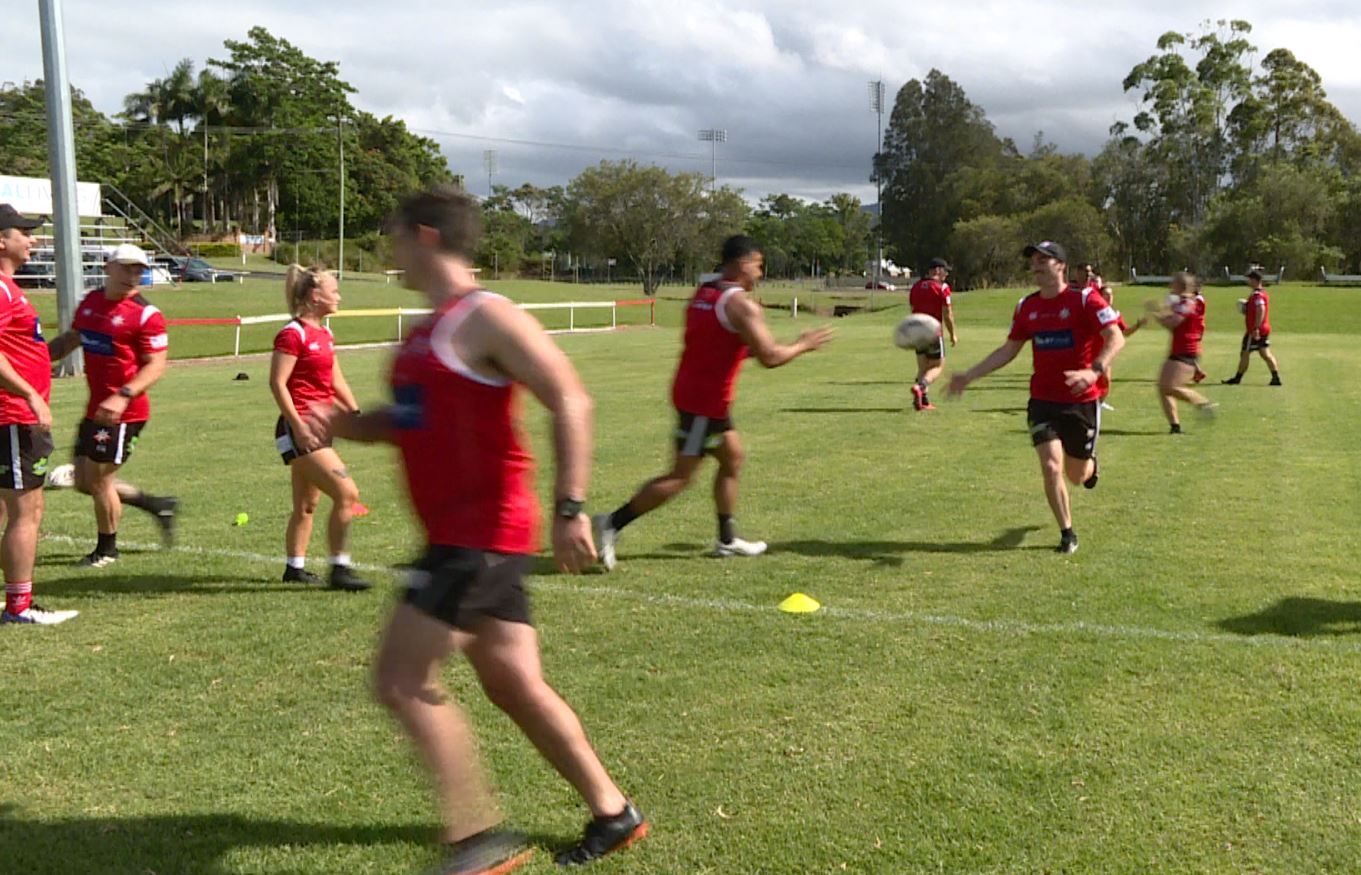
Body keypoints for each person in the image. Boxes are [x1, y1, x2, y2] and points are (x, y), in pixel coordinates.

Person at [313, 187, 646, 873]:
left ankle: (478, 838)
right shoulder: (424, 330)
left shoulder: (488, 315)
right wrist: (353, 425)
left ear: (427, 236)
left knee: (400, 681)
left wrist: (570, 506)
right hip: (463, 533)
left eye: (394, 235)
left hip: (479, 534)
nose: (387, 248)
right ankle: (614, 812)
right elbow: (415, 419)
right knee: (514, 683)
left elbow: (569, 397)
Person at [592, 235, 833, 570]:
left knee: (732, 458)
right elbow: (771, 358)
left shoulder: (705, 293)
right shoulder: (741, 305)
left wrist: (744, 345)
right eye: (758, 266)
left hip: (694, 392)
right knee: (680, 476)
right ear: (742, 263)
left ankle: (727, 539)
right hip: (705, 402)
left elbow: (713, 340)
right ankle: (611, 523)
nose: (760, 274)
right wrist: (803, 344)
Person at [948, 241, 1125, 555]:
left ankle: (1091, 467)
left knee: (1076, 474)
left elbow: (1116, 337)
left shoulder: (1085, 299)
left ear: (1061, 266)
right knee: (1051, 466)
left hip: (1080, 400)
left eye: (1044, 259)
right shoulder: (1026, 306)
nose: (1036, 265)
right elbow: (1008, 350)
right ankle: (1067, 532)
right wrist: (969, 375)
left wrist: (1094, 371)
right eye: (1033, 260)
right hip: (1042, 400)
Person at [46, 244, 177, 568]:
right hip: (95, 409)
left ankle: (107, 550)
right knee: (82, 481)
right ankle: (156, 504)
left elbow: (157, 364)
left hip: (125, 413)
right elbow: (72, 339)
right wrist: (36, 359)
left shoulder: (147, 314)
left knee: (98, 480)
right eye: (127, 268)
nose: (134, 275)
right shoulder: (91, 302)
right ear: (108, 268)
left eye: (139, 270)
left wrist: (123, 394)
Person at [268, 264, 371, 591]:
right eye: (334, 290)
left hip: (321, 428)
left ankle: (294, 568)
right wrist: (297, 426)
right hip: (299, 430)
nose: (339, 296)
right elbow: (277, 383)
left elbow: (335, 379)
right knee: (347, 492)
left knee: (306, 505)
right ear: (315, 296)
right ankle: (340, 568)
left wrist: (354, 411)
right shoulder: (293, 334)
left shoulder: (324, 334)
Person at [0, 204, 75, 625]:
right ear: (1, 241)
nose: (32, 239)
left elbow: (27, 354)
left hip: (15, 415)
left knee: (13, 509)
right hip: (13, 416)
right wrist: (30, 394)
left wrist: (70, 343)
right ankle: (19, 608)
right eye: (24, 232)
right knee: (27, 511)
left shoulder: (12, 289)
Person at [1149, 271, 1216, 433]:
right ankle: (1175, 426)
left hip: (1187, 349)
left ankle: (1203, 403)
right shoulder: (1181, 302)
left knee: (1171, 387)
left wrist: (1156, 314)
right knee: (1163, 387)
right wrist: (1161, 312)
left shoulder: (1187, 303)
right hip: (1178, 348)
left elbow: (1173, 323)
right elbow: (1171, 321)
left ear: (1181, 285)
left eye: (1174, 283)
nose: (1171, 285)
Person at [906, 257, 957, 411]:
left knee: (923, 366)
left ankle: (923, 401)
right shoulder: (941, 287)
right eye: (945, 271)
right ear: (937, 270)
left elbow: (912, 308)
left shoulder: (915, 287)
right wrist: (953, 334)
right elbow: (947, 313)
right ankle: (921, 387)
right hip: (933, 331)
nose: (946, 275)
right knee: (937, 366)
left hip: (917, 331)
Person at [1223, 268, 1281, 386]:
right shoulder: (1262, 293)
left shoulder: (1257, 295)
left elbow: (1261, 309)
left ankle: (1237, 378)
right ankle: (1276, 378)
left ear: (1255, 280)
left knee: (1245, 352)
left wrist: (1256, 328)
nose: (1248, 281)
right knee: (1265, 353)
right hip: (1262, 328)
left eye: (1249, 279)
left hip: (1255, 330)